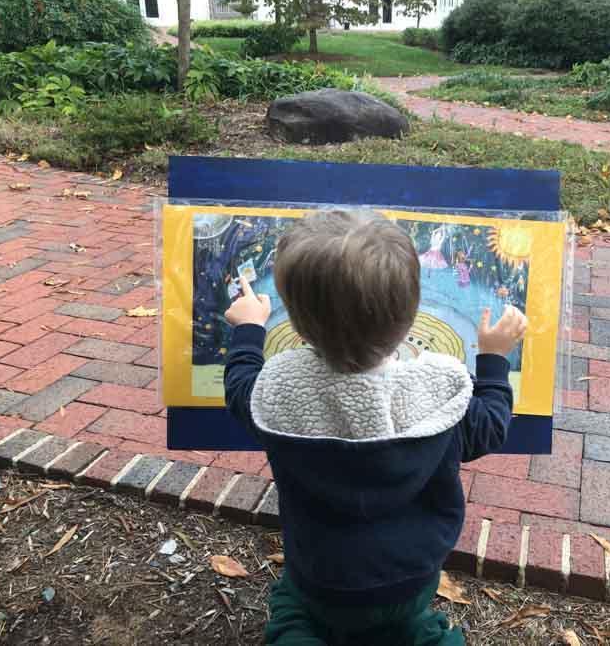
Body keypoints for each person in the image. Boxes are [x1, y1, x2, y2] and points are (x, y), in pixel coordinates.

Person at [223, 208, 527, 646]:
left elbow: (239, 389)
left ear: (297, 324)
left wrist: (249, 328)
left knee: (293, 609)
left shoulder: (278, 393)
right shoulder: (438, 396)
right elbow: (490, 425)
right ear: (411, 316)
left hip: (319, 573)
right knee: (408, 626)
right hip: (411, 577)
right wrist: (494, 359)